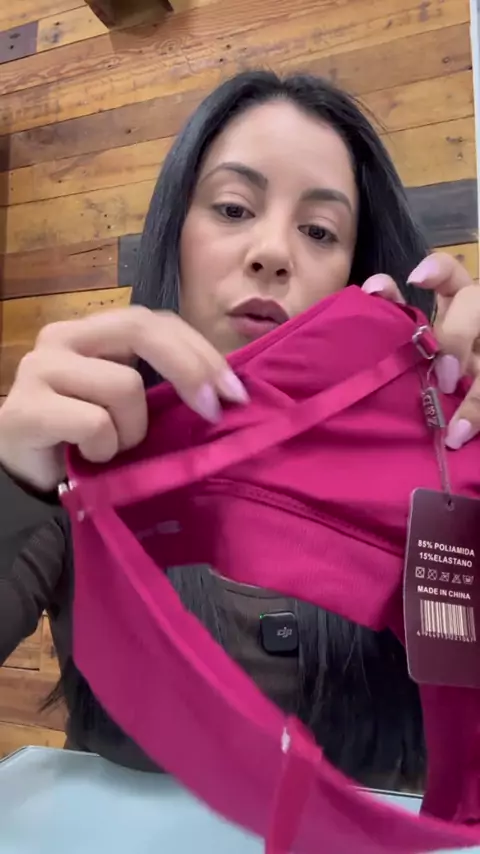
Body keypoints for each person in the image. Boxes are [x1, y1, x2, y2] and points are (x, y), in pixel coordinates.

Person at [1, 70, 480, 791]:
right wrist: (14, 480)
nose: (272, 252)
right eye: (232, 208)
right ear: (175, 235)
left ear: (356, 272)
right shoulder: (89, 441)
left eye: (319, 231)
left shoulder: (437, 461)